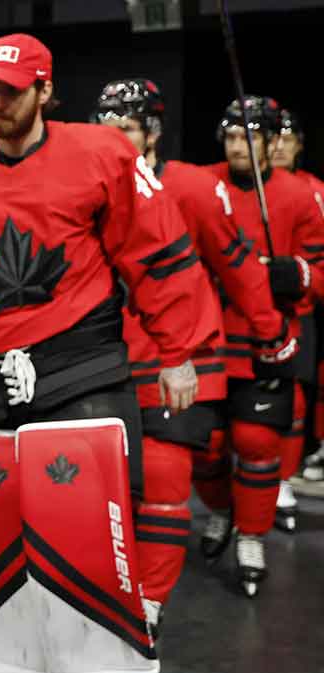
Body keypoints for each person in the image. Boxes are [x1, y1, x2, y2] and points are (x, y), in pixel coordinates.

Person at [0, 34, 218, 671]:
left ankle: (108, 658)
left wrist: (178, 352)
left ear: (44, 91)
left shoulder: (103, 156)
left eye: (11, 90)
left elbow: (157, 256)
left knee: (87, 538)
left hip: (79, 369)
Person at [91, 79, 296, 619]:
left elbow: (235, 264)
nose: (113, 139)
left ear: (153, 133)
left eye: (127, 128)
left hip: (172, 359)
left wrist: (271, 330)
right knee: (98, 492)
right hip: (98, 362)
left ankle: (150, 609)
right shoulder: (82, 183)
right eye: (104, 127)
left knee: (168, 481)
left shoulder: (191, 187)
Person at [194, 96, 324, 594]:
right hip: (207, 335)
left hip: (267, 338)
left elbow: (321, 274)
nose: (237, 147)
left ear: (273, 142)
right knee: (204, 447)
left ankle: (252, 535)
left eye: (248, 137)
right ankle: (223, 511)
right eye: (229, 137)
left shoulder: (301, 196)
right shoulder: (202, 185)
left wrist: (298, 273)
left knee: (256, 442)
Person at [271, 107, 324, 486]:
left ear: (299, 145)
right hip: (249, 309)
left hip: (301, 308)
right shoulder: (246, 187)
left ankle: (285, 481)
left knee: (297, 397)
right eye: (275, 139)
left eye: (288, 140)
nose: (279, 148)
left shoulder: (316, 191)